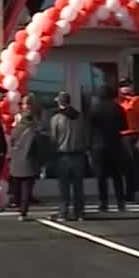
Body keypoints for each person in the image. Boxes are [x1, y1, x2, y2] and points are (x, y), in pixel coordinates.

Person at [50, 91, 91, 221]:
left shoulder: (56, 119)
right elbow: (86, 135)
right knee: (78, 186)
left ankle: (64, 212)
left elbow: (53, 139)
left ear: (59, 102)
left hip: (63, 156)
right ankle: (80, 212)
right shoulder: (80, 117)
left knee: (64, 186)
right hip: (79, 155)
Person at [89, 84, 129, 212]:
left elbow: (88, 128)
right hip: (115, 145)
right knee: (117, 175)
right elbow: (124, 127)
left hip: (98, 146)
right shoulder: (118, 109)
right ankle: (120, 202)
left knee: (101, 176)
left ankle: (103, 203)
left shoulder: (94, 109)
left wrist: (88, 145)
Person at [7, 94, 43, 221]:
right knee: (27, 188)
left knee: (17, 185)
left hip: (17, 160)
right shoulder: (35, 127)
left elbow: (11, 141)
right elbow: (38, 145)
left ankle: (18, 206)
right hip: (30, 160)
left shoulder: (17, 127)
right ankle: (23, 212)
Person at [118, 78, 139, 204]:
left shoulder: (137, 100)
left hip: (134, 135)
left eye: (127, 85)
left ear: (131, 86)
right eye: (122, 86)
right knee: (126, 167)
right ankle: (129, 193)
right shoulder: (119, 102)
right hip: (122, 137)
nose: (125, 88)